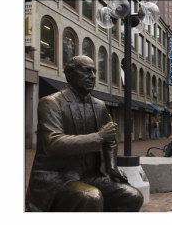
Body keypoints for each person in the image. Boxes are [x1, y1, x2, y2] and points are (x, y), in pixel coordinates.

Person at [26, 55, 143, 212]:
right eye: (87, 71)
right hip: (58, 177)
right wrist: (99, 137)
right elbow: (53, 143)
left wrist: (112, 167)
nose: (93, 76)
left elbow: (110, 140)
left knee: (133, 196)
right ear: (70, 74)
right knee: (90, 197)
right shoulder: (51, 103)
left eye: (94, 72)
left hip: (89, 175)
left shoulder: (99, 105)